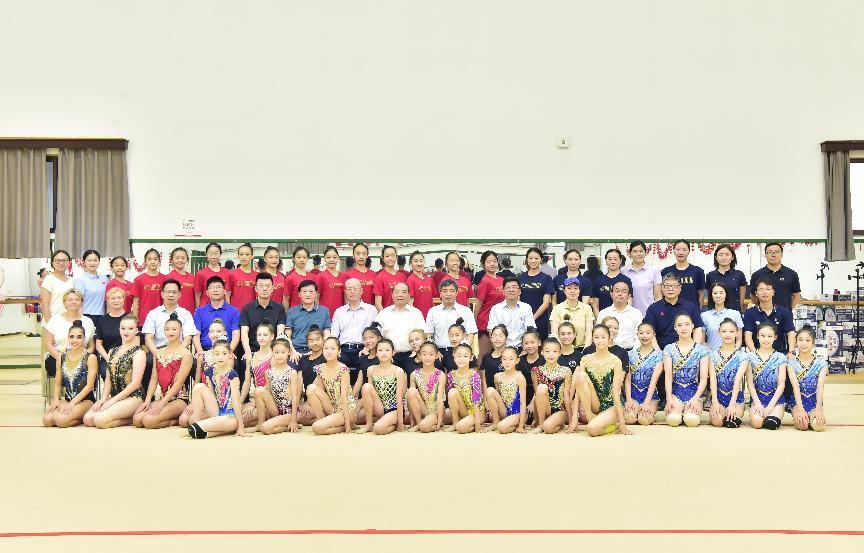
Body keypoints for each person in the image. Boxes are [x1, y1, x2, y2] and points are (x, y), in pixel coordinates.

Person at [83, 314, 146, 428]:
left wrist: (112, 401)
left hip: (134, 397)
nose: (126, 331)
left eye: (130, 328)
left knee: (99, 420)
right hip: (117, 396)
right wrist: (103, 399)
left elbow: (135, 384)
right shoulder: (112, 351)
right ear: (119, 329)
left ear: (136, 331)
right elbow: (108, 379)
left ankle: (129, 419)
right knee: (88, 419)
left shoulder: (139, 353)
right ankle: (124, 416)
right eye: (123, 328)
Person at [568, 324, 630, 436]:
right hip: (594, 403)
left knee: (592, 430)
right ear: (592, 339)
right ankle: (589, 416)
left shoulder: (616, 361)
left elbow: (616, 392)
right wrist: (574, 418)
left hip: (611, 405)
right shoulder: (585, 359)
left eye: (603, 337)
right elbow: (579, 391)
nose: (600, 340)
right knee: (580, 376)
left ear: (609, 338)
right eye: (596, 337)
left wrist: (622, 423)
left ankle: (614, 426)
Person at [134, 313, 194, 429]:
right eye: (167, 329)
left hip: (179, 399)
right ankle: (168, 416)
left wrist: (162, 403)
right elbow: (153, 379)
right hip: (163, 398)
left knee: (148, 421)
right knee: (137, 419)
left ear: (181, 331)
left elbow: (179, 383)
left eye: (174, 329)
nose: (170, 332)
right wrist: (147, 400)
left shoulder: (186, 354)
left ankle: (174, 421)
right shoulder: (158, 353)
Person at [185, 337, 247, 438]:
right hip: (216, 411)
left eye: (224, 354)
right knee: (198, 387)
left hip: (230, 416)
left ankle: (204, 430)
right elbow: (212, 396)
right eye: (217, 354)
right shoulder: (209, 372)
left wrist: (241, 427)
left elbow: (236, 401)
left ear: (230, 355)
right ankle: (197, 423)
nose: (220, 357)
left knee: (194, 429)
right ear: (213, 354)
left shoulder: (232, 375)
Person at [42, 320, 97, 428]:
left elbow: (89, 386)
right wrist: (56, 399)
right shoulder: (61, 357)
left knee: (60, 421)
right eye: (72, 337)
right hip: (68, 399)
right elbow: (57, 383)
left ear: (84, 338)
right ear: (68, 338)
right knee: (47, 420)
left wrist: (73, 403)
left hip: (86, 401)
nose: (75, 340)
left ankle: (82, 417)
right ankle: (72, 416)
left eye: (79, 337)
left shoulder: (90, 358)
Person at [662, 313, 710, 428]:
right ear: (675, 327)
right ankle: (678, 409)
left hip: (694, 393)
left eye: (687, 324)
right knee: (673, 420)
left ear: (692, 326)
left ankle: (691, 409)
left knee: (691, 420)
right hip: (675, 393)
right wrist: (669, 398)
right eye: (679, 325)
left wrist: (696, 399)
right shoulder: (669, 349)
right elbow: (668, 376)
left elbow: (704, 378)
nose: (683, 328)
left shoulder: (701, 350)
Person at [255, 335, 310, 434]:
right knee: (259, 390)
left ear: (288, 352)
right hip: (276, 410)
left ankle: (287, 425)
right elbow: (268, 393)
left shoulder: (292, 372)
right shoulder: (268, 372)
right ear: (272, 352)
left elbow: (295, 397)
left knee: (265, 428)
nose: (279, 355)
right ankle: (260, 422)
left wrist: (293, 420)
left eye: (283, 352)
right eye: (276, 352)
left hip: (289, 412)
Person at [307, 337, 358, 435]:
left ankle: (347, 425)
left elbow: (344, 397)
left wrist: (347, 425)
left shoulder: (343, 369)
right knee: (311, 388)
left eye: (333, 349)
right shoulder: (320, 368)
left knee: (316, 428)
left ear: (339, 351)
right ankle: (322, 421)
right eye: (326, 348)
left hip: (347, 410)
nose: (329, 351)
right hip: (332, 407)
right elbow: (321, 393)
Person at [643, 273, 705, 349]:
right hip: (661, 350)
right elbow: (649, 332)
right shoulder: (653, 308)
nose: (670, 289)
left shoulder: (690, 307)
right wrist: (658, 353)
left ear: (680, 288)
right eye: (667, 286)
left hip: (688, 350)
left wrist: (693, 350)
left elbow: (698, 328)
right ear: (662, 288)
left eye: (674, 286)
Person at [744, 323, 788, 430]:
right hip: (758, 398)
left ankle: (775, 412)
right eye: (763, 336)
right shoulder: (750, 357)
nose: (766, 339)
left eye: (769, 336)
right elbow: (750, 383)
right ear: (757, 336)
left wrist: (771, 405)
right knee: (757, 423)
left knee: (771, 423)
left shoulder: (780, 357)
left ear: (775, 337)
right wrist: (757, 403)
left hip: (775, 399)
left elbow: (781, 384)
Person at [43, 290, 96, 378]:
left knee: (87, 371)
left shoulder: (88, 321)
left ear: (81, 302)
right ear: (64, 303)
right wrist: (61, 358)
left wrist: (83, 357)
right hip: (58, 357)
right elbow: (48, 344)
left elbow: (91, 346)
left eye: (77, 299)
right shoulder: (55, 320)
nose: (73, 302)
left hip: (82, 359)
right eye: (70, 299)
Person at [357, 339, 406, 434]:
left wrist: (400, 423)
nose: (384, 353)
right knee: (366, 386)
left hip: (393, 408)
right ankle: (369, 424)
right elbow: (369, 395)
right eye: (380, 350)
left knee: (378, 429)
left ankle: (392, 424)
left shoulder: (398, 371)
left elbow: (399, 397)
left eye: (387, 350)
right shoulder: (371, 369)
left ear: (393, 353)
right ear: (376, 353)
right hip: (379, 406)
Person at [331, 277, 378, 372]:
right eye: (349, 289)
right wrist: (335, 349)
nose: (352, 292)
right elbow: (334, 335)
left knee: (369, 364)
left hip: (364, 348)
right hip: (343, 350)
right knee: (333, 362)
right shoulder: (339, 312)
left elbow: (376, 333)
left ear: (361, 291)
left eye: (355, 288)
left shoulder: (371, 310)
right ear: (345, 292)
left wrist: (368, 348)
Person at [785, 326, 828, 432]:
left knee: (819, 426)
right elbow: (795, 387)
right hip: (797, 401)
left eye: (807, 340)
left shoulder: (821, 363)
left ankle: (812, 415)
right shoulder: (791, 363)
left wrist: (818, 409)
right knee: (803, 425)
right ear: (796, 342)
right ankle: (799, 414)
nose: (803, 343)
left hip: (814, 401)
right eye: (800, 340)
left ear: (813, 343)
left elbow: (820, 387)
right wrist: (800, 409)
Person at [374, 282, 425, 368]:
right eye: (397, 292)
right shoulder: (383, 313)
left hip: (411, 355)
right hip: (388, 356)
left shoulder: (416, 313)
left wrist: (417, 351)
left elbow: (423, 334)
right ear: (392, 295)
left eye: (404, 292)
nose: (400, 295)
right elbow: (376, 335)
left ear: (409, 295)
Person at [707, 319, 747, 429]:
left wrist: (732, 404)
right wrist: (715, 402)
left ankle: (736, 409)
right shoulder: (713, 355)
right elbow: (713, 379)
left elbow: (738, 380)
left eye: (731, 331)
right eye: (724, 331)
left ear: (737, 333)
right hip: (718, 396)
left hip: (735, 397)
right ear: (719, 333)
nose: (727, 334)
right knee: (717, 422)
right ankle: (718, 411)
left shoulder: (742, 356)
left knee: (731, 422)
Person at [239, 273, 287, 362]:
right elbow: (244, 333)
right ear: (256, 288)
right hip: (252, 350)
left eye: (267, 286)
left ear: (272, 288)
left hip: (272, 351)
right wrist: (248, 352)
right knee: (244, 362)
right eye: (261, 286)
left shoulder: (279, 308)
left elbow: (280, 333)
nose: (264, 289)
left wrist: (275, 352)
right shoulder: (247, 308)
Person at [142, 279, 198, 355]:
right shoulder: (153, 314)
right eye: (168, 292)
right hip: (158, 351)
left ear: (179, 295)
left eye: (174, 292)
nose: (171, 295)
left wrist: (176, 355)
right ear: (162, 294)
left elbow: (187, 339)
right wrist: (159, 356)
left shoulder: (186, 314)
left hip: (180, 351)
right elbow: (148, 339)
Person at [743, 278, 796, 355]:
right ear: (756, 293)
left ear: (773, 292)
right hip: (758, 353)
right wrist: (755, 355)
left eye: (768, 289)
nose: (764, 292)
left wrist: (791, 351)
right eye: (761, 289)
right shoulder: (750, 313)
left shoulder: (783, 311)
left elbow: (790, 332)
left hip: (780, 353)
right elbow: (748, 335)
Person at [625, 322, 663, 425]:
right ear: (637, 334)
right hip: (633, 395)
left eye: (648, 333)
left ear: (654, 334)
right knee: (629, 419)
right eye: (641, 333)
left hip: (650, 396)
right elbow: (627, 379)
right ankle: (635, 409)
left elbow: (654, 380)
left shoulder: (659, 355)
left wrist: (646, 402)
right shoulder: (630, 354)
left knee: (644, 420)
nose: (644, 336)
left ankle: (648, 410)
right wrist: (628, 399)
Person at [531, 338, 572, 433]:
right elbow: (537, 395)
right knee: (541, 388)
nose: (551, 354)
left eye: (554, 351)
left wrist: (570, 420)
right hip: (544, 408)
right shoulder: (536, 371)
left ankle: (558, 424)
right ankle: (541, 423)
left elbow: (566, 396)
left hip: (560, 410)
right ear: (542, 353)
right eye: (547, 351)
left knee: (548, 428)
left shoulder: (566, 371)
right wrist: (535, 418)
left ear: (559, 353)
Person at [483, 346, 527, 433]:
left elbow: (523, 402)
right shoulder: (497, 376)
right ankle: (496, 422)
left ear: (517, 360)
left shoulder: (520, 377)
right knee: (490, 390)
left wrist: (521, 426)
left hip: (518, 413)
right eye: (504, 359)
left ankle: (516, 424)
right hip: (505, 411)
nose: (507, 362)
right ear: (501, 360)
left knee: (502, 428)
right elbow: (497, 397)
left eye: (511, 359)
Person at [285, 279, 332, 361]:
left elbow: (327, 334)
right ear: (299, 294)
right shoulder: (292, 311)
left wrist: (318, 351)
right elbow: (287, 335)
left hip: (317, 350)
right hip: (296, 350)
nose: (308, 294)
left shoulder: (324, 311)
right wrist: (293, 351)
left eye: (311, 291)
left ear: (316, 294)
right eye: (304, 291)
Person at [193, 276, 241, 355]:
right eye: (212, 288)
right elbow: (196, 334)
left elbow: (236, 334)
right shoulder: (199, 312)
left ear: (224, 291)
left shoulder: (234, 311)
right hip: (205, 351)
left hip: (226, 351)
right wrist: (200, 352)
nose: (215, 290)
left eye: (218, 287)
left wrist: (229, 352)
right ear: (207, 292)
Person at [426, 279, 478, 350]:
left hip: (460, 350)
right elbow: (429, 334)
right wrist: (433, 351)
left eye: (451, 291)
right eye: (445, 291)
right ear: (440, 293)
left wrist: (463, 350)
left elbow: (470, 333)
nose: (448, 294)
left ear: (456, 293)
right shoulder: (433, 311)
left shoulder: (466, 311)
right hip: (438, 351)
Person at [406, 341, 447, 432]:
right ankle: (418, 423)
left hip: (436, 411)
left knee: (425, 427)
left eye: (431, 354)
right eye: (424, 354)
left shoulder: (440, 374)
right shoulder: (414, 374)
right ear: (419, 356)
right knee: (411, 391)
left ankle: (428, 423)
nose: (427, 357)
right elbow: (410, 398)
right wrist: (412, 421)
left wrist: (440, 421)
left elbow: (440, 400)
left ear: (436, 356)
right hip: (422, 408)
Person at [748, 242, 801, 310]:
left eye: (776, 252)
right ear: (765, 255)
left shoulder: (791, 274)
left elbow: (796, 296)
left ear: (781, 255)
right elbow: (753, 295)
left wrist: (787, 311)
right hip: (764, 314)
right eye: (770, 252)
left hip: (784, 315)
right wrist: (763, 308)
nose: (773, 255)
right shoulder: (757, 275)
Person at [94, 287, 130, 386]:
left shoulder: (130, 318)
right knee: (106, 372)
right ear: (108, 300)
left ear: (124, 299)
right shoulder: (102, 320)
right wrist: (108, 359)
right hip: (108, 358)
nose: (116, 300)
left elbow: (135, 342)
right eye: (113, 298)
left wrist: (123, 358)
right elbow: (98, 345)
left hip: (127, 358)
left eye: (119, 297)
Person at [446, 344, 485, 433]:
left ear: (471, 358)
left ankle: (470, 424)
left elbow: (476, 400)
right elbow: (451, 398)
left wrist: (477, 423)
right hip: (463, 410)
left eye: (465, 356)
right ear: (454, 357)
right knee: (452, 392)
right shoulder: (451, 375)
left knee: (461, 428)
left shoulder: (474, 375)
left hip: (476, 413)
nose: (461, 359)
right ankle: (455, 423)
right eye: (459, 356)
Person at [488, 277, 537, 348]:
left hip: (522, 348)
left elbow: (530, 330)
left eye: (514, 287)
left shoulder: (526, 308)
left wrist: (525, 350)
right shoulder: (496, 309)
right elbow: (492, 331)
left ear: (519, 291)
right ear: (503, 291)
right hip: (502, 348)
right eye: (508, 287)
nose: (511, 290)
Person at [549, 276, 595, 350]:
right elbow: (555, 334)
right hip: (562, 349)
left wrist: (585, 351)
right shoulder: (557, 309)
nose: (572, 291)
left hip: (582, 348)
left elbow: (589, 334)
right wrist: (563, 351)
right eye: (569, 288)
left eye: (576, 288)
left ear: (579, 290)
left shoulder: (587, 308)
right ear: (564, 291)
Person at [518, 247, 555, 339]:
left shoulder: (547, 278)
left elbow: (546, 303)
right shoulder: (520, 278)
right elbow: (517, 300)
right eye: (530, 258)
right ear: (527, 260)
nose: (533, 261)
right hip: (522, 320)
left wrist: (531, 319)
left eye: (536, 258)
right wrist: (524, 319)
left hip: (540, 320)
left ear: (541, 260)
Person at [474, 251, 505, 358]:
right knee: (484, 355)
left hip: (500, 321)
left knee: (500, 355)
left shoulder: (502, 280)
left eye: (494, 261)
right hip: (485, 322)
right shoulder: (485, 282)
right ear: (483, 264)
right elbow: (478, 304)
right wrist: (474, 322)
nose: (492, 264)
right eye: (488, 262)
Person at [597, 281, 642, 350]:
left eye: (624, 291)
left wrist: (633, 353)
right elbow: (598, 334)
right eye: (617, 291)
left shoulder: (636, 313)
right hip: (607, 351)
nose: (620, 294)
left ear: (629, 295)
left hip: (630, 351)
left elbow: (639, 337)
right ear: (611, 294)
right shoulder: (603, 313)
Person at [621, 240, 662, 315]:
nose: (638, 254)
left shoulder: (654, 271)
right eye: (634, 251)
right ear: (630, 254)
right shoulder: (623, 271)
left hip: (648, 314)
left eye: (641, 251)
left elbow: (658, 296)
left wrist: (657, 313)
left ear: (646, 253)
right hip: (627, 314)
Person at [660, 240, 706, 307]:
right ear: (674, 251)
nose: (681, 252)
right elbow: (662, 293)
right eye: (678, 250)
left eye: (684, 250)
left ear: (689, 251)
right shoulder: (666, 271)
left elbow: (701, 293)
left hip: (691, 310)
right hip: (671, 309)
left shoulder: (698, 271)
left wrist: (699, 309)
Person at [701, 283, 744, 351]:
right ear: (711, 295)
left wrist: (732, 353)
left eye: (721, 293)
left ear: (725, 295)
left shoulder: (735, 314)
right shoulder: (704, 316)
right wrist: (711, 354)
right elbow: (702, 341)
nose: (718, 296)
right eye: (715, 293)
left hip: (732, 354)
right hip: (711, 354)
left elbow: (739, 340)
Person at [705, 244, 747, 313]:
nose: (724, 258)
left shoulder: (739, 274)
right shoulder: (710, 275)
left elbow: (742, 297)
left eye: (727, 254)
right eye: (720, 255)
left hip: (734, 312)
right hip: (716, 313)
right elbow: (709, 296)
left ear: (732, 257)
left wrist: (740, 308)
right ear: (716, 257)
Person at [73, 249, 109, 326]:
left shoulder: (105, 279)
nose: (92, 263)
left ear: (99, 262)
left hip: (103, 317)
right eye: (89, 260)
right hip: (86, 316)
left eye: (95, 260)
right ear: (84, 262)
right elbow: (77, 302)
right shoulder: (80, 280)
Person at [130, 248, 165, 325]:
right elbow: (135, 302)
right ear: (145, 261)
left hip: (161, 318)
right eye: (149, 259)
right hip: (144, 319)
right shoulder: (139, 279)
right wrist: (135, 319)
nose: (152, 262)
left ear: (159, 261)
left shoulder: (165, 279)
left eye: (155, 259)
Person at [593, 248, 632, 314]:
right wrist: (599, 318)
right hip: (603, 318)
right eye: (610, 259)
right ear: (606, 261)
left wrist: (624, 317)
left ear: (620, 261)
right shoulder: (598, 281)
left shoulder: (626, 280)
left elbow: (629, 302)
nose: (612, 262)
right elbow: (595, 305)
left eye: (615, 259)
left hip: (622, 317)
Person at [40, 250, 74, 323]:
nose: (61, 263)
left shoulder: (72, 280)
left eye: (64, 260)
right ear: (52, 263)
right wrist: (49, 324)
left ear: (69, 262)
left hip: (68, 321)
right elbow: (45, 305)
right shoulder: (48, 279)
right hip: (53, 320)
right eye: (58, 260)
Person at [194, 242, 232, 307]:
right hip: (205, 310)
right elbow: (197, 296)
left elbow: (228, 295)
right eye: (210, 253)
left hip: (222, 310)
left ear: (220, 254)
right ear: (206, 254)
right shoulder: (200, 274)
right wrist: (198, 310)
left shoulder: (228, 273)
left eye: (216, 253)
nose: (213, 256)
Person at [516, 327, 543, 412]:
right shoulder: (519, 361)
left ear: (539, 343)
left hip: (539, 397)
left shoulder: (544, 361)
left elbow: (542, 385)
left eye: (532, 342)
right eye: (526, 343)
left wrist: (532, 403)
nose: (530, 346)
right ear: (523, 346)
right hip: (523, 397)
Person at [373, 245, 408, 310]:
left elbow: (407, 298)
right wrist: (385, 315)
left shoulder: (403, 277)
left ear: (396, 257)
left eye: (393, 256)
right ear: (382, 258)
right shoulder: (379, 277)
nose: (390, 258)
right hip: (387, 314)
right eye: (387, 256)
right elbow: (378, 304)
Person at [317, 245, 346, 316]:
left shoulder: (344, 276)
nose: (331, 260)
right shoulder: (320, 276)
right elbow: (316, 298)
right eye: (328, 257)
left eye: (334, 257)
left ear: (338, 258)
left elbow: (346, 297)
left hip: (340, 315)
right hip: (325, 315)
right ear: (324, 259)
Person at [405, 251, 435, 317]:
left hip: (430, 317)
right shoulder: (410, 280)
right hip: (418, 317)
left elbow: (433, 300)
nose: (419, 264)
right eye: (416, 261)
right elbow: (410, 303)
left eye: (421, 261)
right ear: (411, 263)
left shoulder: (429, 280)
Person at [166, 247, 196, 312]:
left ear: (187, 259)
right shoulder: (168, 277)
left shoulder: (192, 277)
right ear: (172, 260)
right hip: (173, 314)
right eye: (177, 258)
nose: (180, 260)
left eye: (183, 258)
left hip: (190, 314)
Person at [230, 242, 259, 309]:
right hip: (236, 312)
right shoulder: (232, 274)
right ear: (238, 256)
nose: (244, 257)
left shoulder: (257, 276)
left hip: (252, 312)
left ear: (252, 256)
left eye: (247, 254)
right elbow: (227, 296)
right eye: (241, 254)